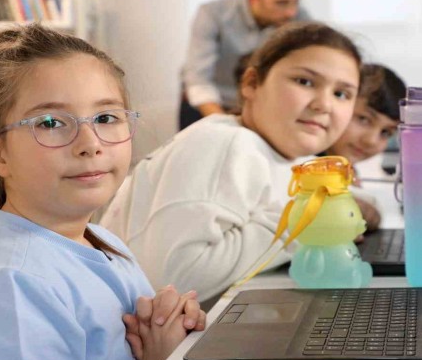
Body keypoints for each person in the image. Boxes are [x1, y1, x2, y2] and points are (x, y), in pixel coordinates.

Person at [0, 24, 205, 360]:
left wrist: (170, 331)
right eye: (50, 122)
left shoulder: (98, 240)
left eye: (105, 118)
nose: (90, 143)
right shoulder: (12, 285)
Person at [102, 22, 362, 301]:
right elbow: (175, 280)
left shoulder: (285, 154)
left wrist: (353, 206)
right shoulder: (223, 144)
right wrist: (307, 221)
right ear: (251, 83)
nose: (324, 104)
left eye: (341, 94)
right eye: (304, 82)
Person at [179, 0, 312, 129]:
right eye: (281, 3)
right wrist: (227, 128)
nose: (291, 12)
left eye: (296, 2)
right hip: (207, 102)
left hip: (257, 108)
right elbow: (198, 79)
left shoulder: (299, 18)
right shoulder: (213, 14)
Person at [325, 63, 406, 231]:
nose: (371, 141)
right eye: (363, 119)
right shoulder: (303, 164)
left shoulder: (345, 170)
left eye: (386, 132)